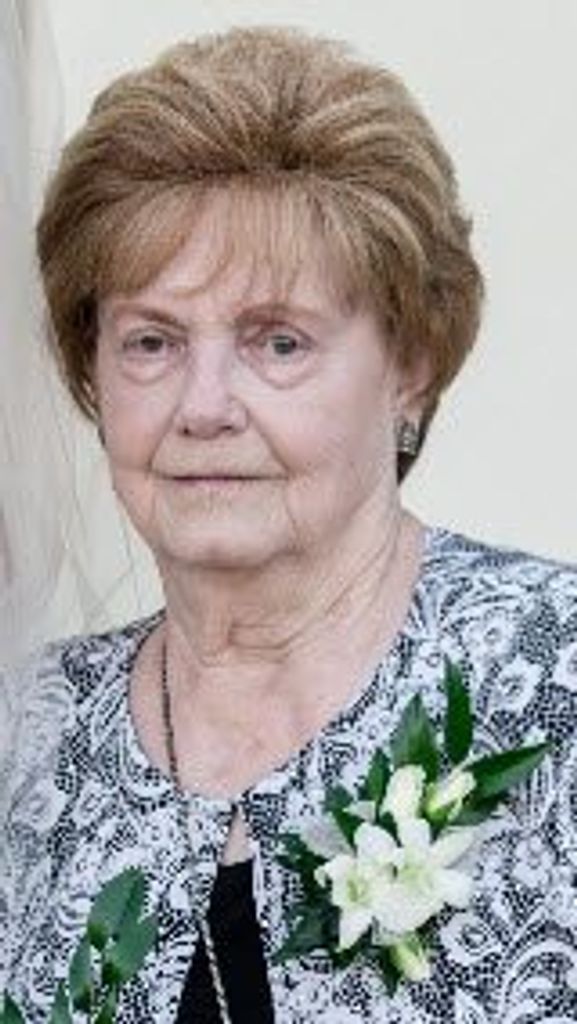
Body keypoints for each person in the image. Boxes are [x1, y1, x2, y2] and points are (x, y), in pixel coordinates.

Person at [1, 24, 576, 1024]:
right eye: (151, 341)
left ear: (410, 365)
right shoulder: (26, 735)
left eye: (277, 342)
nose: (203, 407)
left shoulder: (554, 674)